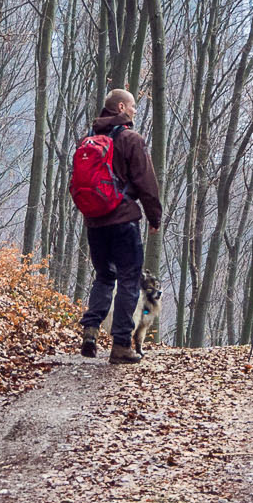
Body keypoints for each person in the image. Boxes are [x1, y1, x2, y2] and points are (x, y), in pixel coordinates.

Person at [71, 89, 163, 365]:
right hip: (123, 221)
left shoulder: (86, 141)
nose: (135, 111)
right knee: (128, 279)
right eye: (133, 106)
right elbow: (147, 182)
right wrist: (154, 217)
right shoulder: (131, 139)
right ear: (121, 107)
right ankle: (121, 345)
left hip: (95, 222)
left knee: (103, 275)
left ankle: (90, 329)